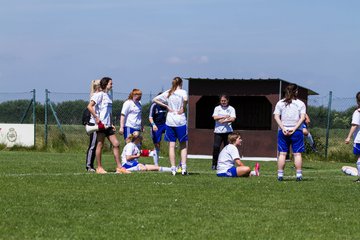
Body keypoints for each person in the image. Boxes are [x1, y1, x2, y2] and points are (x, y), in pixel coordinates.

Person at [87, 77, 130, 174]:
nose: (112, 85)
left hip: (108, 125)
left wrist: (111, 123)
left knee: (116, 144)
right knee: (100, 145)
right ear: (105, 84)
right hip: (101, 125)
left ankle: (119, 167)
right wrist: (97, 118)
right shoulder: (99, 95)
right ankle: (99, 168)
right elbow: (89, 106)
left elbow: (108, 112)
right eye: (111, 83)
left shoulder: (109, 96)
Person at [153, 77, 188, 176]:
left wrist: (166, 106)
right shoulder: (182, 92)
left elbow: (154, 99)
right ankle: (183, 168)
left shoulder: (169, 92)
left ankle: (173, 168)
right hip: (180, 121)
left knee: (171, 146)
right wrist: (183, 107)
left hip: (170, 121)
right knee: (183, 145)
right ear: (181, 83)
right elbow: (185, 99)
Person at [274, 84, 306, 181]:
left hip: (283, 131)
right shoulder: (300, 103)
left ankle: (280, 175)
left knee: (282, 154)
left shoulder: (280, 103)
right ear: (295, 91)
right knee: (297, 154)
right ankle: (299, 175)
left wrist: (283, 128)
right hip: (297, 132)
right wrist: (295, 128)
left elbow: (276, 116)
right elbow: (303, 117)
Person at [211, 94, 236, 170]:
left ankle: (227, 164)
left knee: (227, 149)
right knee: (216, 147)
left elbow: (233, 118)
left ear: (228, 100)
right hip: (218, 132)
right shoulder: (217, 108)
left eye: (224, 101)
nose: (223, 102)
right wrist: (224, 117)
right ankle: (214, 164)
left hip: (228, 132)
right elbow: (214, 117)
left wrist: (224, 121)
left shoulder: (231, 109)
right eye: (222, 101)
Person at [84, 79, 101, 172]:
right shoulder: (95, 96)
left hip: (99, 123)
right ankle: (89, 165)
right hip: (94, 124)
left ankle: (95, 165)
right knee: (93, 145)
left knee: (97, 145)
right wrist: (96, 117)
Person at [345, 91, 360, 182]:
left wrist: (348, 137)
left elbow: (354, 125)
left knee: (359, 159)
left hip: (359, 139)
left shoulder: (357, 112)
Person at [149, 92, 168, 166]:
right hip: (156, 126)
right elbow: (150, 117)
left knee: (173, 133)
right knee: (157, 144)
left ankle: (173, 144)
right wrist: (153, 125)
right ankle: (156, 164)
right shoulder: (154, 105)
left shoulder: (166, 106)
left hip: (165, 125)